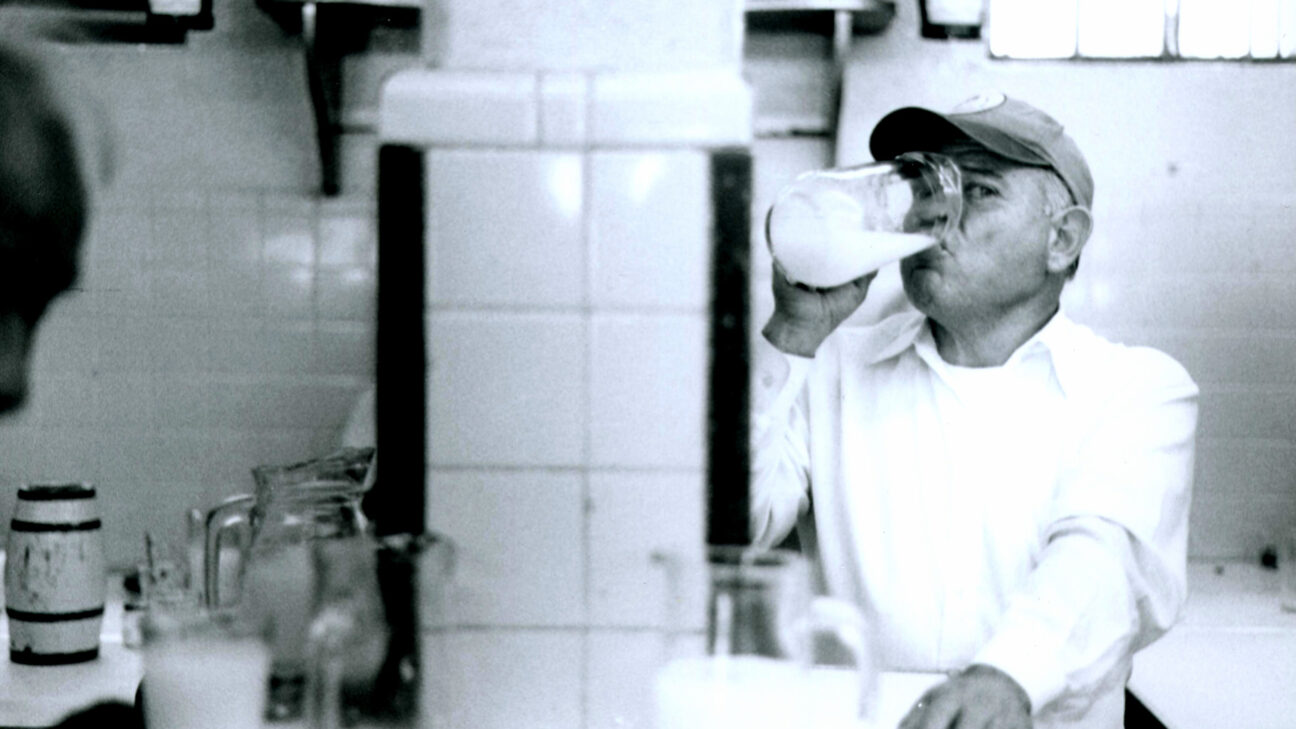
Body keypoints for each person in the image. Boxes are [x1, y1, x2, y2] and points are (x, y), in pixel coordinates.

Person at [750, 93, 1197, 729]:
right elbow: (733, 529)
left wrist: (1010, 676)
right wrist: (794, 334)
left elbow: (1104, 559)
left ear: (1061, 239)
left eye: (979, 190)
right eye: (924, 187)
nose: (934, 215)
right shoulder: (828, 365)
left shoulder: (1136, 388)